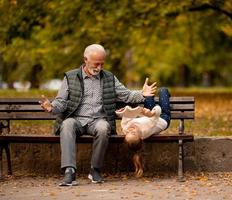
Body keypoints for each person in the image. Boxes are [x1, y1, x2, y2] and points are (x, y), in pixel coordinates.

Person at [39, 44, 157, 186]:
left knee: (103, 127)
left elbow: (126, 95)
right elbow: (61, 102)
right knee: (67, 124)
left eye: (102, 63)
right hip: (76, 120)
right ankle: (69, 171)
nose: (99, 67)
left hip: (98, 120)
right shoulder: (70, 77)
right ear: (85, 60)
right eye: (96, 64)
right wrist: (51, 107)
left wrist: (142, 94)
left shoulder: (109, 78)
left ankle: (95, 169)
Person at [115, 88, 170, 177]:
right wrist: (152, 113)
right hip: (161, 119)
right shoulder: (146, 128)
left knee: (148, 95)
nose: (130, 130)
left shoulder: (126, 128)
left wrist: (126, 110)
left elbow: (127, 117)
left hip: (147, 117)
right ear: (140, 136)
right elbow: (157, 112)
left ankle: (149, 98)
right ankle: (165, 96)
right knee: (163, 91)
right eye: (133, 133)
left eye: (128, 133)